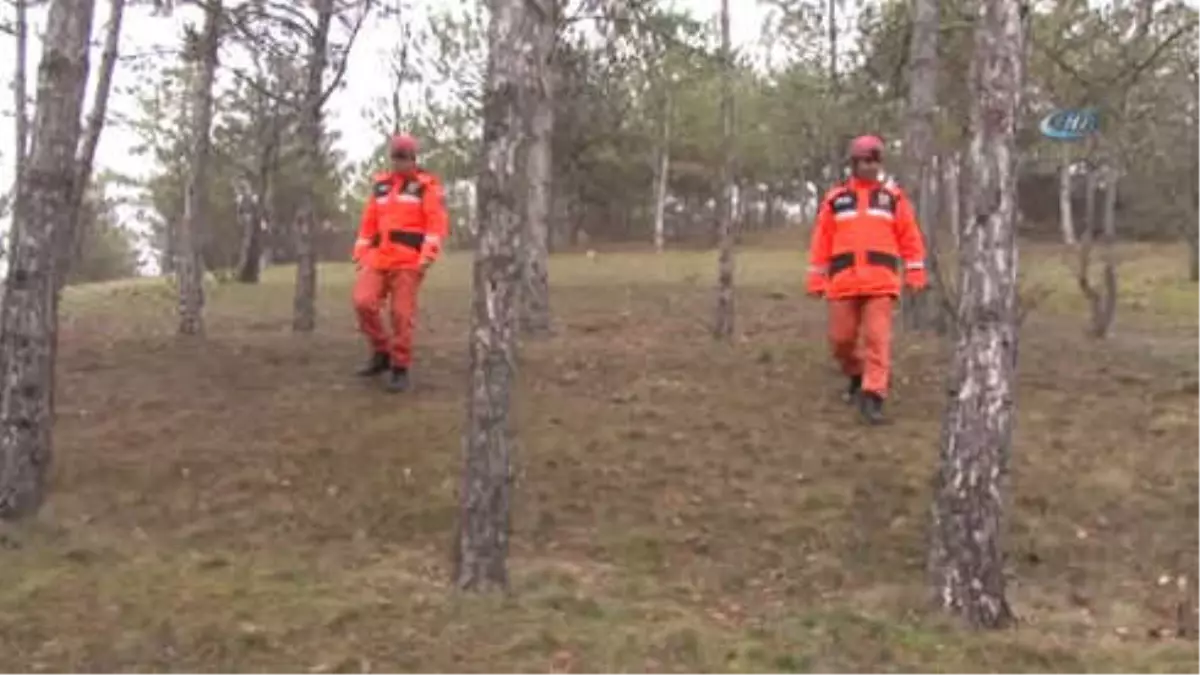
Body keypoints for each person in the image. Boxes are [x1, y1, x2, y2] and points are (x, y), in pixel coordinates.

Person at [805, 135, 927, 424]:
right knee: (841, 340)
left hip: (880, 282)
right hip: (843, 282)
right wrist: (816, 278)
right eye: (864, 161)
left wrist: (915, 270)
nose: (870, 167)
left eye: (875, 161)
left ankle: (873, 396)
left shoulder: (892, 198)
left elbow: (909, 236)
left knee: (877, 339)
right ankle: (856, 374)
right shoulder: (836, 199)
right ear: (854, 163)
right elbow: (822, 240)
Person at [351, 133, 448, 392]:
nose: (399, 162)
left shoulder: (426, 187)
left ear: (414, 159)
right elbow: (368, 224)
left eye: (405, 157)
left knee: (401, 315)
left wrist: (427, 256)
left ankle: (400, 366)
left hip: (408, 261)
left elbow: (435, 225)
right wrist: (361, 253)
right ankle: (382, 351)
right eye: (396, 156)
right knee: (363, 302)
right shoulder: (381, 187)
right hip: (378, 258)